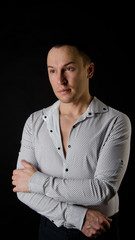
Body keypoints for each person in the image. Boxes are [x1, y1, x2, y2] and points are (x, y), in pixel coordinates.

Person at [12, 42, 131, 239]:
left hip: (100, 231)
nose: (60, 80)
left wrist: (36, 182)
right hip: (50, 230)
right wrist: (79, 216)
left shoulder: (115, 121)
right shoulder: (34, 122)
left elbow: (102, 190)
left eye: (68, 68)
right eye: (52, 71)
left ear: (89, 70)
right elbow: (22, 189)